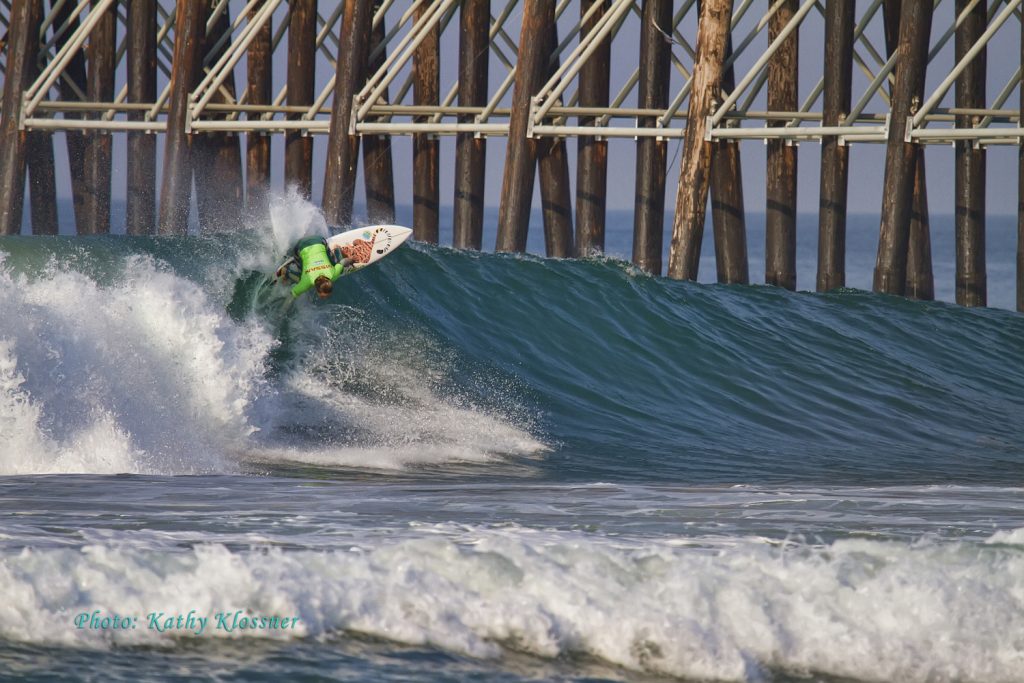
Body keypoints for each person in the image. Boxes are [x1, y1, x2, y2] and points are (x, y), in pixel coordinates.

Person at [277, 235, 356, 300]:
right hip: (300, 246)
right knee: (300, 279)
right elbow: (291, 295)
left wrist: (351, 260)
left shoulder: (333, 275)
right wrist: (281, 313)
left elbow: (343, 262)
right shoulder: (306, 282)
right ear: (317, 289)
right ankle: (286, 271)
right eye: (323, 296)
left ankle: (337, 249)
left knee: (338, 266)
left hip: (319, 239)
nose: (324, 298)